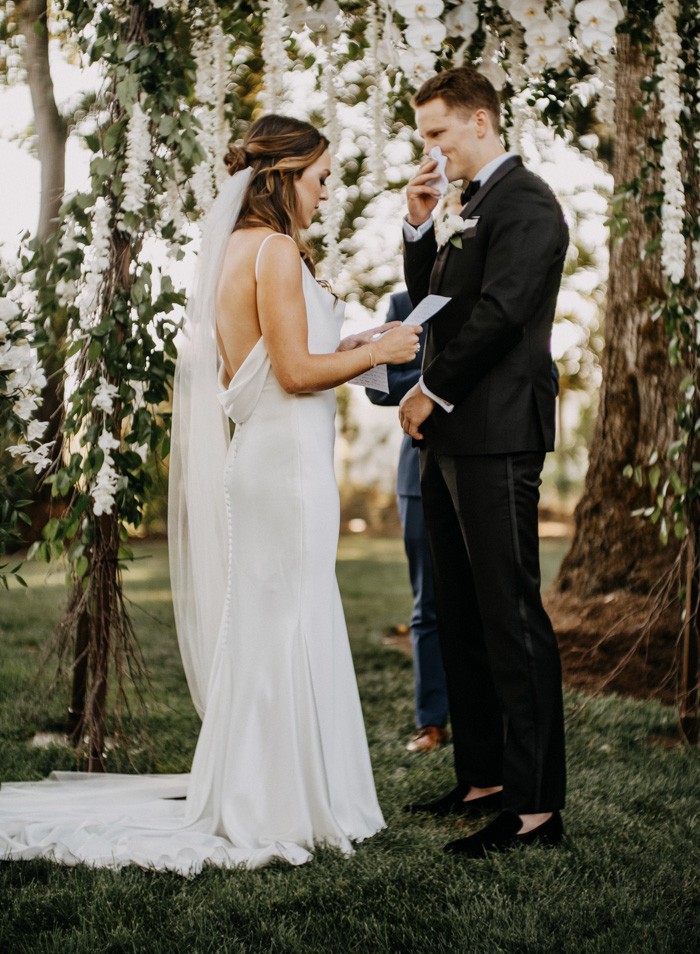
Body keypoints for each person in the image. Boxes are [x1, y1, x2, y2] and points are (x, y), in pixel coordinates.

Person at [0, 115, 422, 872]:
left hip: (264, 458)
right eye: (321, 179)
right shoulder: (277, 252)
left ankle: (261, 790)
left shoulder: (237, 249)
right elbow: (293, 375)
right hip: (286, 470)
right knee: (286, 617)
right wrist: (386, 348)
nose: (327, 194)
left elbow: (259, 369)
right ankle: (278, 802)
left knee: (272, 620)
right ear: (285, 174)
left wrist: (351, 351)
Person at [398, 66, 568, 858]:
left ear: (481, 121)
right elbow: (436, 304)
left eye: (438, 132)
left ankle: (534, 809)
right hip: (451, 441)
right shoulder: (467, 207)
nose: (430, 148)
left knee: (509, 610)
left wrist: (429, 391)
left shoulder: (526, 201)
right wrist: (421, 227)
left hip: (497, 430)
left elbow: (501, 315)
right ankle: (484, 778)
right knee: (461, 610)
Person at [365, 290, 449, 753]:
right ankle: (431, 720)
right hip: (418, 469)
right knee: (427, 600)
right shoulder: (403, 303)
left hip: (480, 462)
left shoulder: (488, 287)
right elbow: (379, 385)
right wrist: (430, 383)